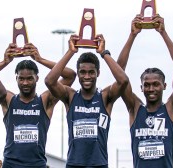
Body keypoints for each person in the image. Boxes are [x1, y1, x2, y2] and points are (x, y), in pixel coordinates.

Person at [0, 42, 76, 168]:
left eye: (29, 79)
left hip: (37, 164)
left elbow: (70, 76)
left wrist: (40, 59)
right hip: (11, 164)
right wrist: (5, 62)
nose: (25, 83)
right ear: (16, 78)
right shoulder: (7, 99)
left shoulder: (45, 100)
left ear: (37, 78)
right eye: (21, 79)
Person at [45, 34, 129, 168]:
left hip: (99, 164)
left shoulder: (105, 97)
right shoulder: (70, 96)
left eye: (91, 72)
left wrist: (103, 53)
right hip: (74, 164)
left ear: (98, 73)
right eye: (82, 72)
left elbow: (123, 80)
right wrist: (71, 52)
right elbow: (49, 81)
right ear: (78, 74)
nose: (87, 76)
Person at [116, 14, 173, 168]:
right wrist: (132, 35)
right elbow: (119, 73)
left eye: (156, 84)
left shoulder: (172, 109)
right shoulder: (135, 109)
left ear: (164, 86)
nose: (151, 88)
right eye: (146, 85)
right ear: (141, 88)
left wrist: (163, 33)